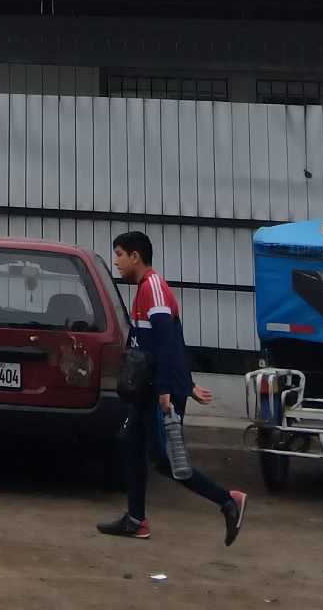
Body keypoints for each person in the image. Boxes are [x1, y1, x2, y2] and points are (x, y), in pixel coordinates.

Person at [97, 230, 247, 547]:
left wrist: (169, 389)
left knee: (165, 460)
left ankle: (228, 500)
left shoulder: (153, 288)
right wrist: (186, 383)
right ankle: (136, 520)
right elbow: (168, 342)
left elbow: (167, 341)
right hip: (151, 388)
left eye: (119, 254)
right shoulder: (143, 289)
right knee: (129, 443)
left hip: (160, 391)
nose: (116, 262)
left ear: (136, 256)